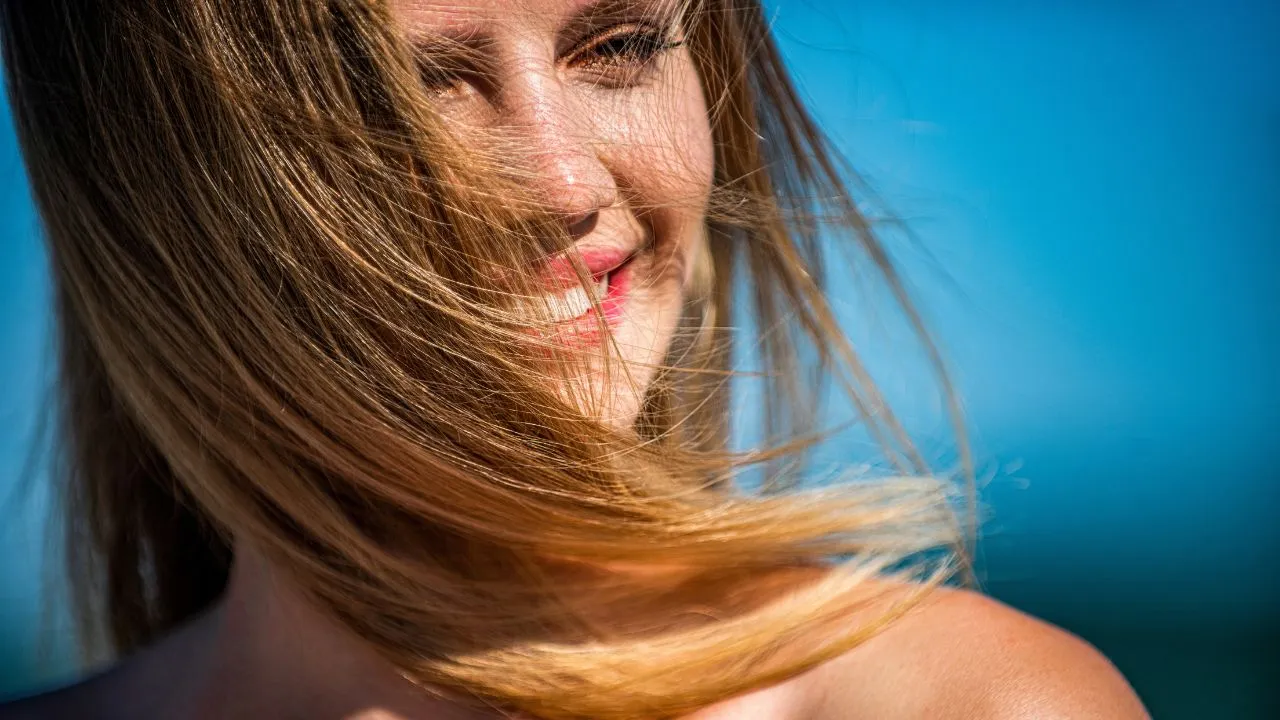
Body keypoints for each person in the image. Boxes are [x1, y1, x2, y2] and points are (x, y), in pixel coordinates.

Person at [0, 1, 1148, 718]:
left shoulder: (971, 708)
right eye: (405, 88)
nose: (559, 183)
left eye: (618, 45)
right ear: (144, 181)